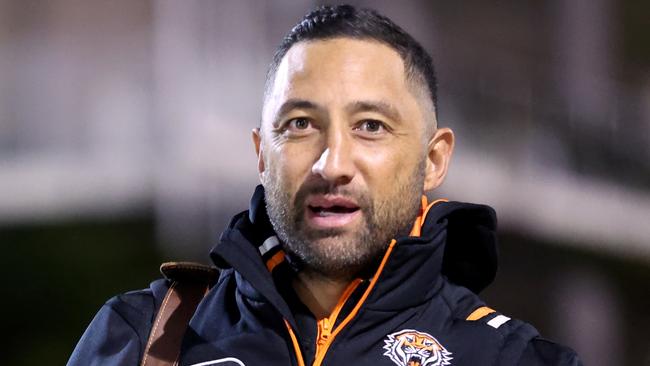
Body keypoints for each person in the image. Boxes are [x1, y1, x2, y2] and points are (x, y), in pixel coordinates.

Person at [68, 5, 582, 366]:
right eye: (300, 125)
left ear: (433, 159)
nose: (332, 164)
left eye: (371, 127)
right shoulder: (142, 338)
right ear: (261, 154)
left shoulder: (512, 357)